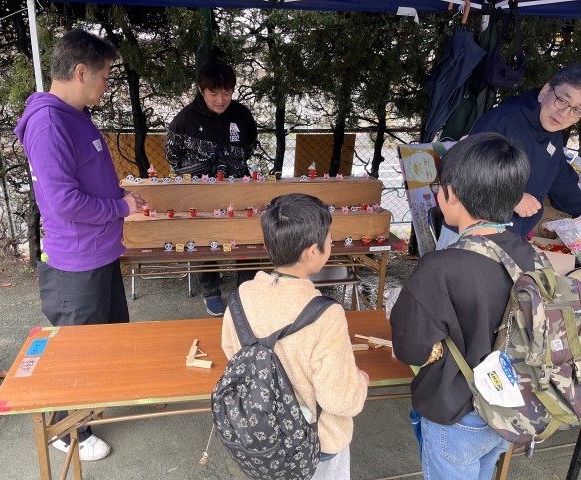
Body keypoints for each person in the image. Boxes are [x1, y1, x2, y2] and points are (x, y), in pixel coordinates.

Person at [15, 29, 146, 461]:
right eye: (105, 76)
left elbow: (86, 181)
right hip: (76, 262)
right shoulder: (48, 123)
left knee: (106, 340)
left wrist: (119, 196)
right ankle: (67, 429)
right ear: (80, 72)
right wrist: (120, 207)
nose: (107, 84)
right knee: (79, 350)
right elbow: (63, 201)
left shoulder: (75, 115)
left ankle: (90, 406)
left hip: (100, 251)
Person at [391, 133, 534, 479]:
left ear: (451, 194)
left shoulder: (441, 267)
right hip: (507, 409)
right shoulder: (528, 254)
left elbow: (410, 349)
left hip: (458, 413)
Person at [221, 193, 369, 480]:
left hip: (260, 434)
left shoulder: (241, 297)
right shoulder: (326, 314)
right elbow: (339, 400)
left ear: (268, 246)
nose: (331, 245)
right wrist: (360, 383)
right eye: (330, 240)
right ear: (312, 252)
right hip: (313, 442)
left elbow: (232, 352)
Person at [437, 64, 581, 248]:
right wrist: (513, 198)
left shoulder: (552, 134)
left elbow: (561, 181)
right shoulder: (504, 119)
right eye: (562, 101)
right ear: (545, 91)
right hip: (469, 236)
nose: (564, 114)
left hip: (509, 239)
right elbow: (460, 171)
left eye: (576, 110)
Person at [165, 61, 258, 316]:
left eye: (226, 93)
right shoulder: (185, 119)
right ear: (201, 89)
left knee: (246, 235)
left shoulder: (242, 115)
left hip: (237, 188)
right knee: (204, 238)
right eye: (213, 93)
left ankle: (245, 290)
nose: (220, 100)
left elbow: (249, 146)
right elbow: (172, 156)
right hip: (200, 193)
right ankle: (211, 290)